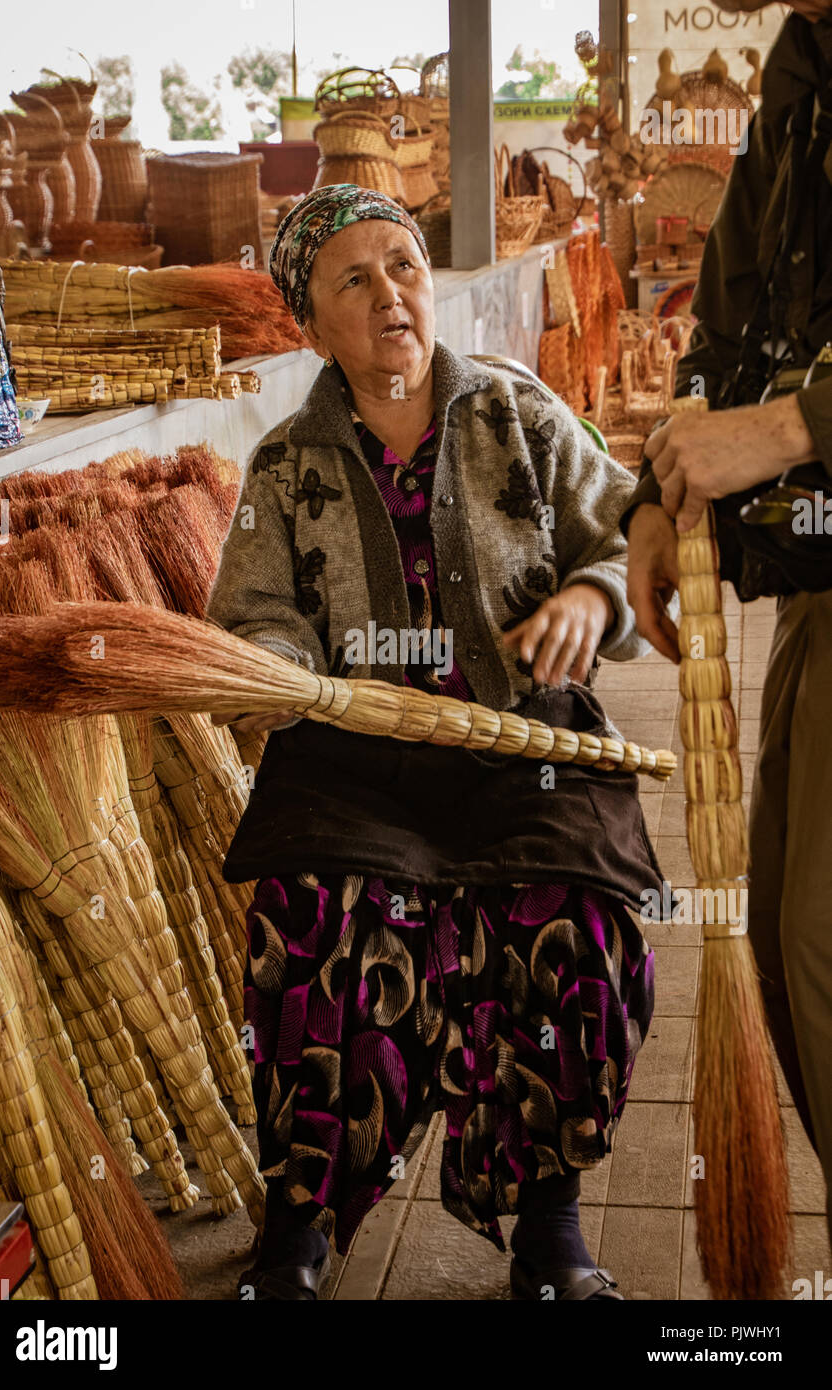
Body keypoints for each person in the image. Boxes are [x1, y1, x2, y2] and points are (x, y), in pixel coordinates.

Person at [206, 184, 665, 1301]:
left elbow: (625, 529)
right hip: (357, 759)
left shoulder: (517, 414)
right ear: (311, 323)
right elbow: (253, 607)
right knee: (314, 916)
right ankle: (299, 1229)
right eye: (351, 281)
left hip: (524, 743)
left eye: (403, 265)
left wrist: (594, 601)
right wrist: (279, 672)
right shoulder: (284, 464)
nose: (389, 295)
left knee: (577, 913)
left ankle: (549, 1225)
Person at [624, 0, 832, 1247]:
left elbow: (775, 401)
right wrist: (668, 483)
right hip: (820, 574)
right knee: (791, 953)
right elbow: (723, 321)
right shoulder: (801, 72)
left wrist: (794, 426)